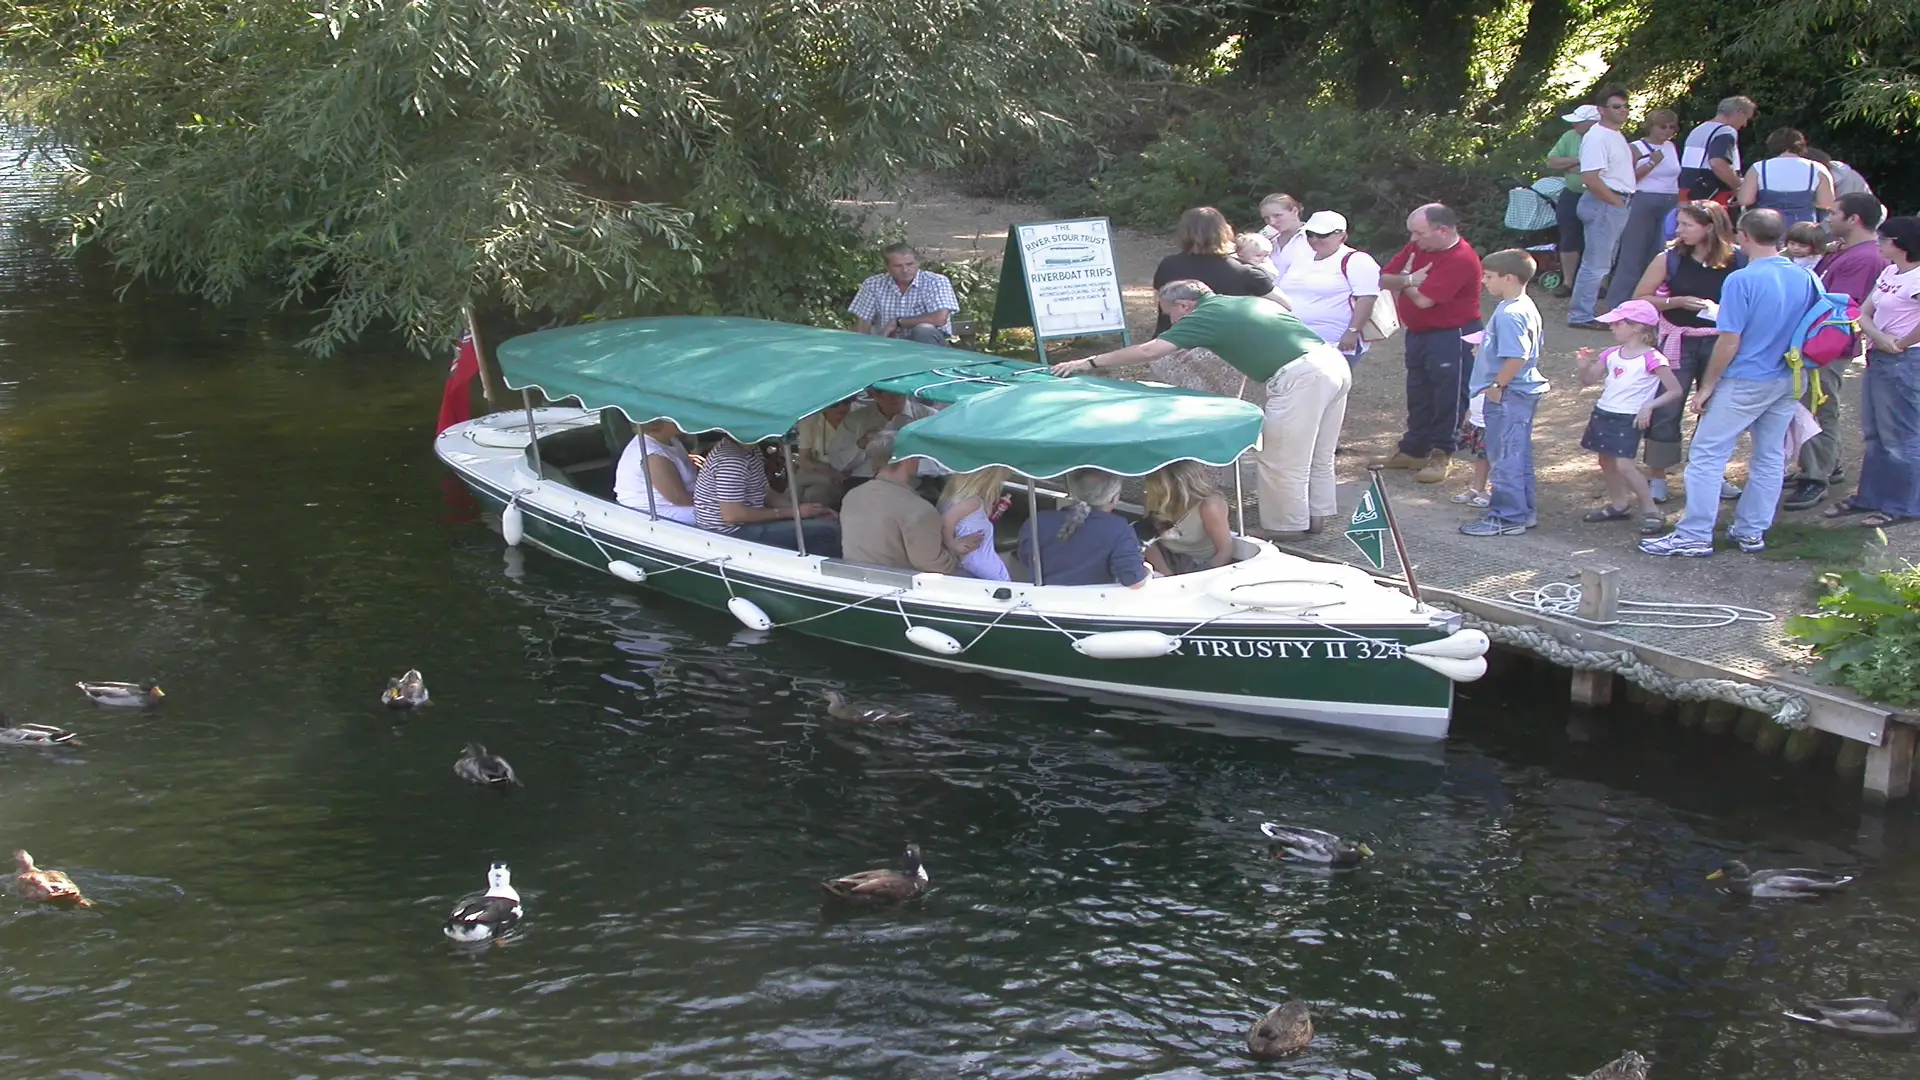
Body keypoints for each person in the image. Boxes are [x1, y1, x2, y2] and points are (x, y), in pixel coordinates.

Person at [1049, 281, 1350, 536]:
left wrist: (1088, 362)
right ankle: (1315, 517)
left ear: (1184, 305)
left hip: (1301, 376)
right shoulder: (1239, 302)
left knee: (1280, 457)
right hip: (1331, 362)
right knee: (1319, 453)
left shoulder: (1204, 315)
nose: (1172, 323)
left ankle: (1287, 527)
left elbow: (1149, 350)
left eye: (1170, 315)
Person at [1641, 210, 1812, 557]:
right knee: (1769, 457)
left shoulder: (1742, 280)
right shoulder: (1806, 277)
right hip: (1788, 376)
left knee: (1706, 455)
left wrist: (1707, 386)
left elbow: (1729, 340)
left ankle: (1695, 534)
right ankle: (1751, 531)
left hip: (1746, 378)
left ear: (1745, 237)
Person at [1630, 200, 1748, 503]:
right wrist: (1676, 302)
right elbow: (1640, 298)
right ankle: (1657, 475)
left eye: (1687, 225)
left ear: (1709, 227)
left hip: (1721, 341)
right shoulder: (1668, 259)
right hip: (1677, 340)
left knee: (1716, 408)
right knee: (1667, 406)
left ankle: (1711, 473)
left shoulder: (1740, 260)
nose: (1679, 231)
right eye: (1679, 224)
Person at [1789, 193, 1890, 510]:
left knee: (1817, 407)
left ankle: (1815, 479)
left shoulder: (1863, 258)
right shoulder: (1848, 252)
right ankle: (1828, 465)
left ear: (1854, 219)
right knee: (1813, 404)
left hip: (1827, 345)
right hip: (1821, 343)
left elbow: (1837, 308)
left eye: (1834, 213)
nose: (1827, 219)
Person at [1374, 203, 1485, 484]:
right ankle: (1414, 449)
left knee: (1448, 394)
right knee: (1418, 390)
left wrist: (1405, 282)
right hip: (1420, 333)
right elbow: (1384, 278)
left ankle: (1442, 452)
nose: (1413, 240)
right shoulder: (1421, 247)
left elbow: (1425, 300)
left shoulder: (1461, 258)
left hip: (1452, 335)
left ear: (1442, 230)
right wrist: (1411, 279)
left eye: (1418, 233)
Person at [1826, 216, 1920, 528]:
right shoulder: (1891, 271)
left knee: (1901, 435)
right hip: (1881, 356)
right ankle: (1869, 497)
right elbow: (1863, 312)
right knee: (1875, 433)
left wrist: (1902, 343)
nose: (1878, 243)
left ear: (1900, 244)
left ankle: (1903, 504)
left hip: (1907, 361)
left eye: (1884, 239)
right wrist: (1881, 339)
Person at [1573, 300, 1684, 534]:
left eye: (1617, 323)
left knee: (1624, 465)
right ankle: (1619, 504)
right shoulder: (1611, 353)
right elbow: (1589, 380)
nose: (1612, 328)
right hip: (1604, 411)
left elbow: (1675, 390)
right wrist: (1583, 366)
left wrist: (1649, 406)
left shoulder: (1653, 358)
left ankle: (1651, 510)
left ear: (1636, 326)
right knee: (1605, 460)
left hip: (1628, 417)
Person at [1459, 249, 1549, 536]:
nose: (1484, 281)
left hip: (1510, 394)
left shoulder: (1510, 313)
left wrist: (1498, 386)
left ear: (1509, 277)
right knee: (1516, 455)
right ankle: (1523, 512)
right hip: (1517, 392)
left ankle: (1507, 517)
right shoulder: (1519, 305)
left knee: (1505, 457)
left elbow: (1516, 355)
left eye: (1488, 276)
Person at [840, 437, 981, 573]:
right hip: (896, 589)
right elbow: (935, 566)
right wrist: (954, 551)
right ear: (908, 460)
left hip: (855, 582)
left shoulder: (852, 496)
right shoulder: (918, 510)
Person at [692, 434, 841, 555]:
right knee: (828, 531)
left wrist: (806, 512)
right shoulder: (732, 459)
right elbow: (733, 516)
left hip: (745, 525)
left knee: (825, 523)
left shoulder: (751, 449)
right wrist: (794, 512)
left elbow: (766, 493)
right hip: (728, 534)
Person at [1151, 206, 1286, 333]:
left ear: (1183, 233)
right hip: (1224, 347)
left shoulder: (1168, 265)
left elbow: (1161, 303)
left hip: (1171, 343)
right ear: (1224, 232)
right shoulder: (1244, 270)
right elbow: (1285, 304)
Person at [1569, 86, 1637, 330]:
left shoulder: (1615, 135)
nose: (1622, 111)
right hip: (1605, 202)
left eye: (1625, 106)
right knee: (1596, 263)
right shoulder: (1597, 136)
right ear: (1601, 110)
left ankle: (1585, 312)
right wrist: (1616, 202)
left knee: (1602, 262)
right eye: (1616, 106)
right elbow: (1591, 177)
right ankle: (1580, 315)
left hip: (1614, 201)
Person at [1276, 210, 1384, 363]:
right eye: (1310, 234)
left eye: (1322, 235)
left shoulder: (1357, 260)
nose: (1314, 239)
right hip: (1295, 340)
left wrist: (1352, 332)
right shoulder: (1300, 258)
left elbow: (1367, 298)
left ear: (1341, 235)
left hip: (1334, 343)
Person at [1602, 108, 1682, 312]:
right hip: (1642, 199)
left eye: (1671, 127)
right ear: (1651, 126)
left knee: (1660, 252)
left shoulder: (1671, 147)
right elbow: (1627, 178)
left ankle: (1648, 305)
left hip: (1669, 200)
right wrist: (1651, 164)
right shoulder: (1636, 147)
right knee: (1633, 254)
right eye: (1662, 126)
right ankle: (1618, 304)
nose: (1667, 131)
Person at [1016, 468, 1150, 587]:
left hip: (1040, 603)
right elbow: (1133, 580)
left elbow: (1025, 558)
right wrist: (1147, 571)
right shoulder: (1119, 528)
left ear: (1072, 491)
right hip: (1093, 607)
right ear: (1114, 498)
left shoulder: (1037, 521)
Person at [847, 243, 959, 345]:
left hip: (930, 348)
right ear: (887, 267)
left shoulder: (936, 281)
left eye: (910, 264)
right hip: (888, 345)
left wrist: (898, 322)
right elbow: (862, 325)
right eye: (898, 266)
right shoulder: (873, 284)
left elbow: (939, 318)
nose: (905, 270)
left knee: (924, 330)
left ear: (918, 263)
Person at [1142, 461, 1236, 575]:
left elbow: (1225, 550)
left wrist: (1201, 576)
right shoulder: (1155, 499)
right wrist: (1166, 573)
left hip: (1201, 566)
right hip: (1164, 560)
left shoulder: (1209, 506)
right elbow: (1148, 543)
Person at [1547, 105, 1599, 299]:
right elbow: (1551, 161)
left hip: (1598, 194)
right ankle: (1568, 283)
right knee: (1568, 237)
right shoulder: (1570, 136)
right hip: (1572, 192)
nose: (1574, 124)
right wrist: (1578, 160)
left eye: (1579, 120)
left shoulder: (1606, 138)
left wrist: (1572, 165)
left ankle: (1600, 284)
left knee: (1598, 240)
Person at [793, 396, 882, 506]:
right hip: (822, 472)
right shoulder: (810, 419)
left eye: (846, 402)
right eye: (834, 404)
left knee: (816, 493)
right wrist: (829, 471)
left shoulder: (861, 414)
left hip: (854, 474)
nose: (841, 408)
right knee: (812, 490)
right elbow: (803, 459)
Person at [1735, 127, 1834, 227]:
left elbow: (1745, 200)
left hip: (1767, 226)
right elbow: (1826, 203)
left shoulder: (1759, 167)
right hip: (1803, 228)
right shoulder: (1817, 168)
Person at [614, 419, 701, 524]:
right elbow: (679, 498)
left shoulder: (670, 440)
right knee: (720, 514)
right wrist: (718, 501)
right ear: (658, 424)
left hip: (679, 503)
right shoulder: (653, 455)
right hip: (657, 511)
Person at [937, 465, 1015, 581]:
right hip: (982, 564)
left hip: (971, 562)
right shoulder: (972, 502)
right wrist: (952, 544)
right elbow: (945, 521)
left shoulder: (952, 499)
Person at [1675, 95, 1757, 201]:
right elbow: (1717, 163)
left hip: (1688, 190)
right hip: (1713, 193)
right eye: (1746, 119)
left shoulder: (1699, 129)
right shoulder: (1725, 131)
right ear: (1740, 113)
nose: (1745, 124)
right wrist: (1739, 186)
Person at [1257, 194, 1312, 284]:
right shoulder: (1266, 239)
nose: (1272, 222)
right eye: (1266, 218)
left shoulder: (1313, 237)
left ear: (1294, 211)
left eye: (1277, 215)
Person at [1450, 391, 1491, 509]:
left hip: (1495, 415)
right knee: (1482, 455)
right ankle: (1478, 489)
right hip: (1478, 415)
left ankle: (1495, 491)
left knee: (1498, 457)